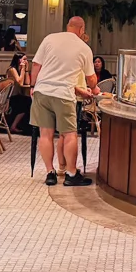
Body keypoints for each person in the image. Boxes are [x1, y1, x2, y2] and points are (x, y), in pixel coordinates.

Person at [30, 16, 98, 187]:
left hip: (42, 91)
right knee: (69, 134)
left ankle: (50, 173)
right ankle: (71, 174)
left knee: (45, 134)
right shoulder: (84, 48)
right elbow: (91, 79)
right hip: (64, 94)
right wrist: (93, 85)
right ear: (82, 29)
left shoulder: (50, 38)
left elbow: (36, 65)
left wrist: (33, 85)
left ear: (68, 26)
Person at [6, 52, 34, 134]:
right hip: (11, 96)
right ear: (18, 60)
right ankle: (13, 126)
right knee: (27, 103)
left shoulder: (20, 69)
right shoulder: (12, 69)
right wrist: (22, 69)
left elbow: (27, 82)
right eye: (24, 59)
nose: (26, 61)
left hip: (18, 95)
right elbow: (20, 82)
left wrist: (26, 70)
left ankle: (23, 126)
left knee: (29, 101)